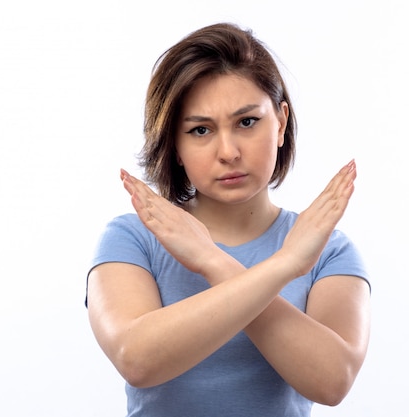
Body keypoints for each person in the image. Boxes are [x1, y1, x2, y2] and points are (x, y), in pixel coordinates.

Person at [85, 22, 371, 417]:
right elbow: (136, 359)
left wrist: (214, 262)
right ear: (176, 146)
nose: (228, 151)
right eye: (200, 130)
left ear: (281, 123)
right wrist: (283, 266)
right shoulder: (133, 238)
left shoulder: (327, 249)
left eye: (247, 122)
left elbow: (332, 380)